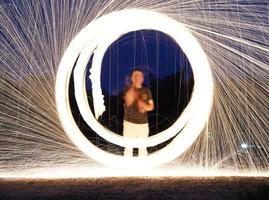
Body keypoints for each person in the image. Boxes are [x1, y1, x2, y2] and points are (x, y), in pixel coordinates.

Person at [122, 69, 154, 157]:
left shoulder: (146, 91)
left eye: (139, 76)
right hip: (129, 123)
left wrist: (144, 106)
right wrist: (134, 89)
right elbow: (128, 102)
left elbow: (151, 106)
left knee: (143, 149)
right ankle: (127, 169)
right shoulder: (127, 89)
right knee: (128, 148)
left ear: (142, 78)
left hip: (143, 124)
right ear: (132, 78)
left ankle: (142, 168)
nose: (138, 77)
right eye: (135, 76)